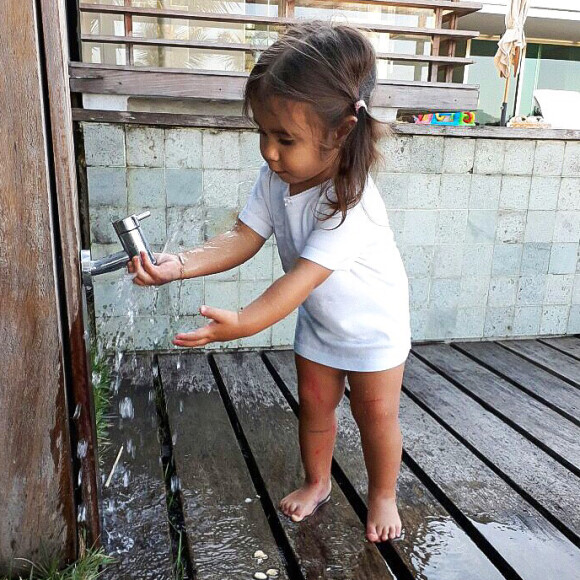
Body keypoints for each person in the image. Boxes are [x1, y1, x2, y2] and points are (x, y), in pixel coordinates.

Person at [127, 21, 411, 543]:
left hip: (375, 328)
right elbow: (243, 235)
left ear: (342, 131)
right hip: (322, 324)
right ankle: (318, 482)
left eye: (285, 138)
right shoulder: (276, 178)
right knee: (315, 406)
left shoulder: (351, 203)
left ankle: (382, 494)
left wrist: (243, 322)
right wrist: (181, 263)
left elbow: (298, 281)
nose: (270, 151)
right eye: (262, 132)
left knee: (376, 415)